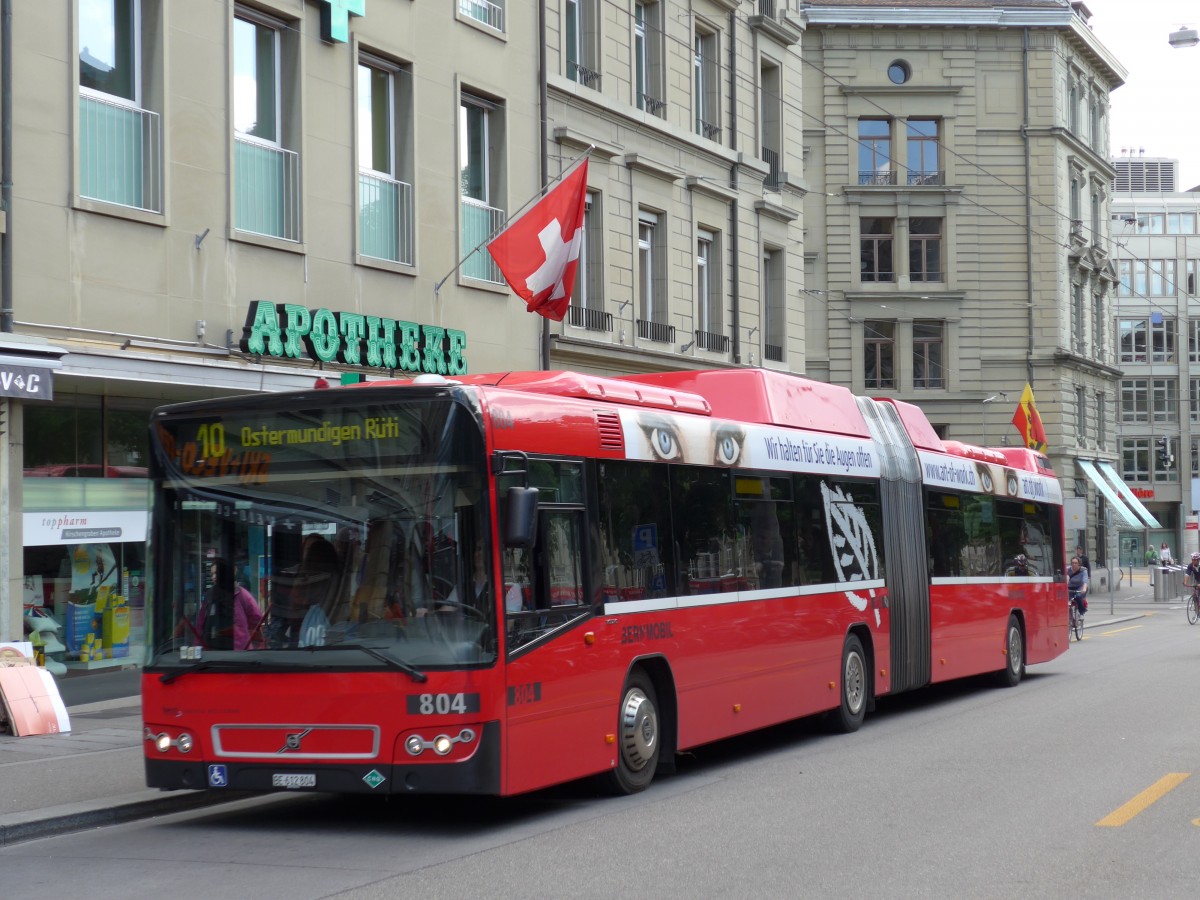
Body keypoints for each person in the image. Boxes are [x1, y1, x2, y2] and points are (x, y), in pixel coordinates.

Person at [196, 558, 264, 650]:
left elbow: (256, 620)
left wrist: (247, 640)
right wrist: (197, 647)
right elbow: (200, 624)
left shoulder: (243, 595)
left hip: (240, 652)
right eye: (212, 574)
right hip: (213, 651)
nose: (214, 577)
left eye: (217, 573)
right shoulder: (209, 596)